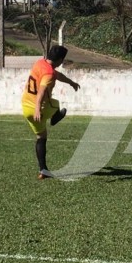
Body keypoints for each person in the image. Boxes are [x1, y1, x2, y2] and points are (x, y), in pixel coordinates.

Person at [21, 45, 81, 179]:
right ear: (60, 60)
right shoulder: (48, 74)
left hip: (25, 107)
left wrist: (71, 82)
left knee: (41, 137)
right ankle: (55, 117)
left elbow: (57, 75)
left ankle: (43, 170)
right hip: (40, 108)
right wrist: (37, 108)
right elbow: (42, 90)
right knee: (57, 104)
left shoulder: (40, 63)